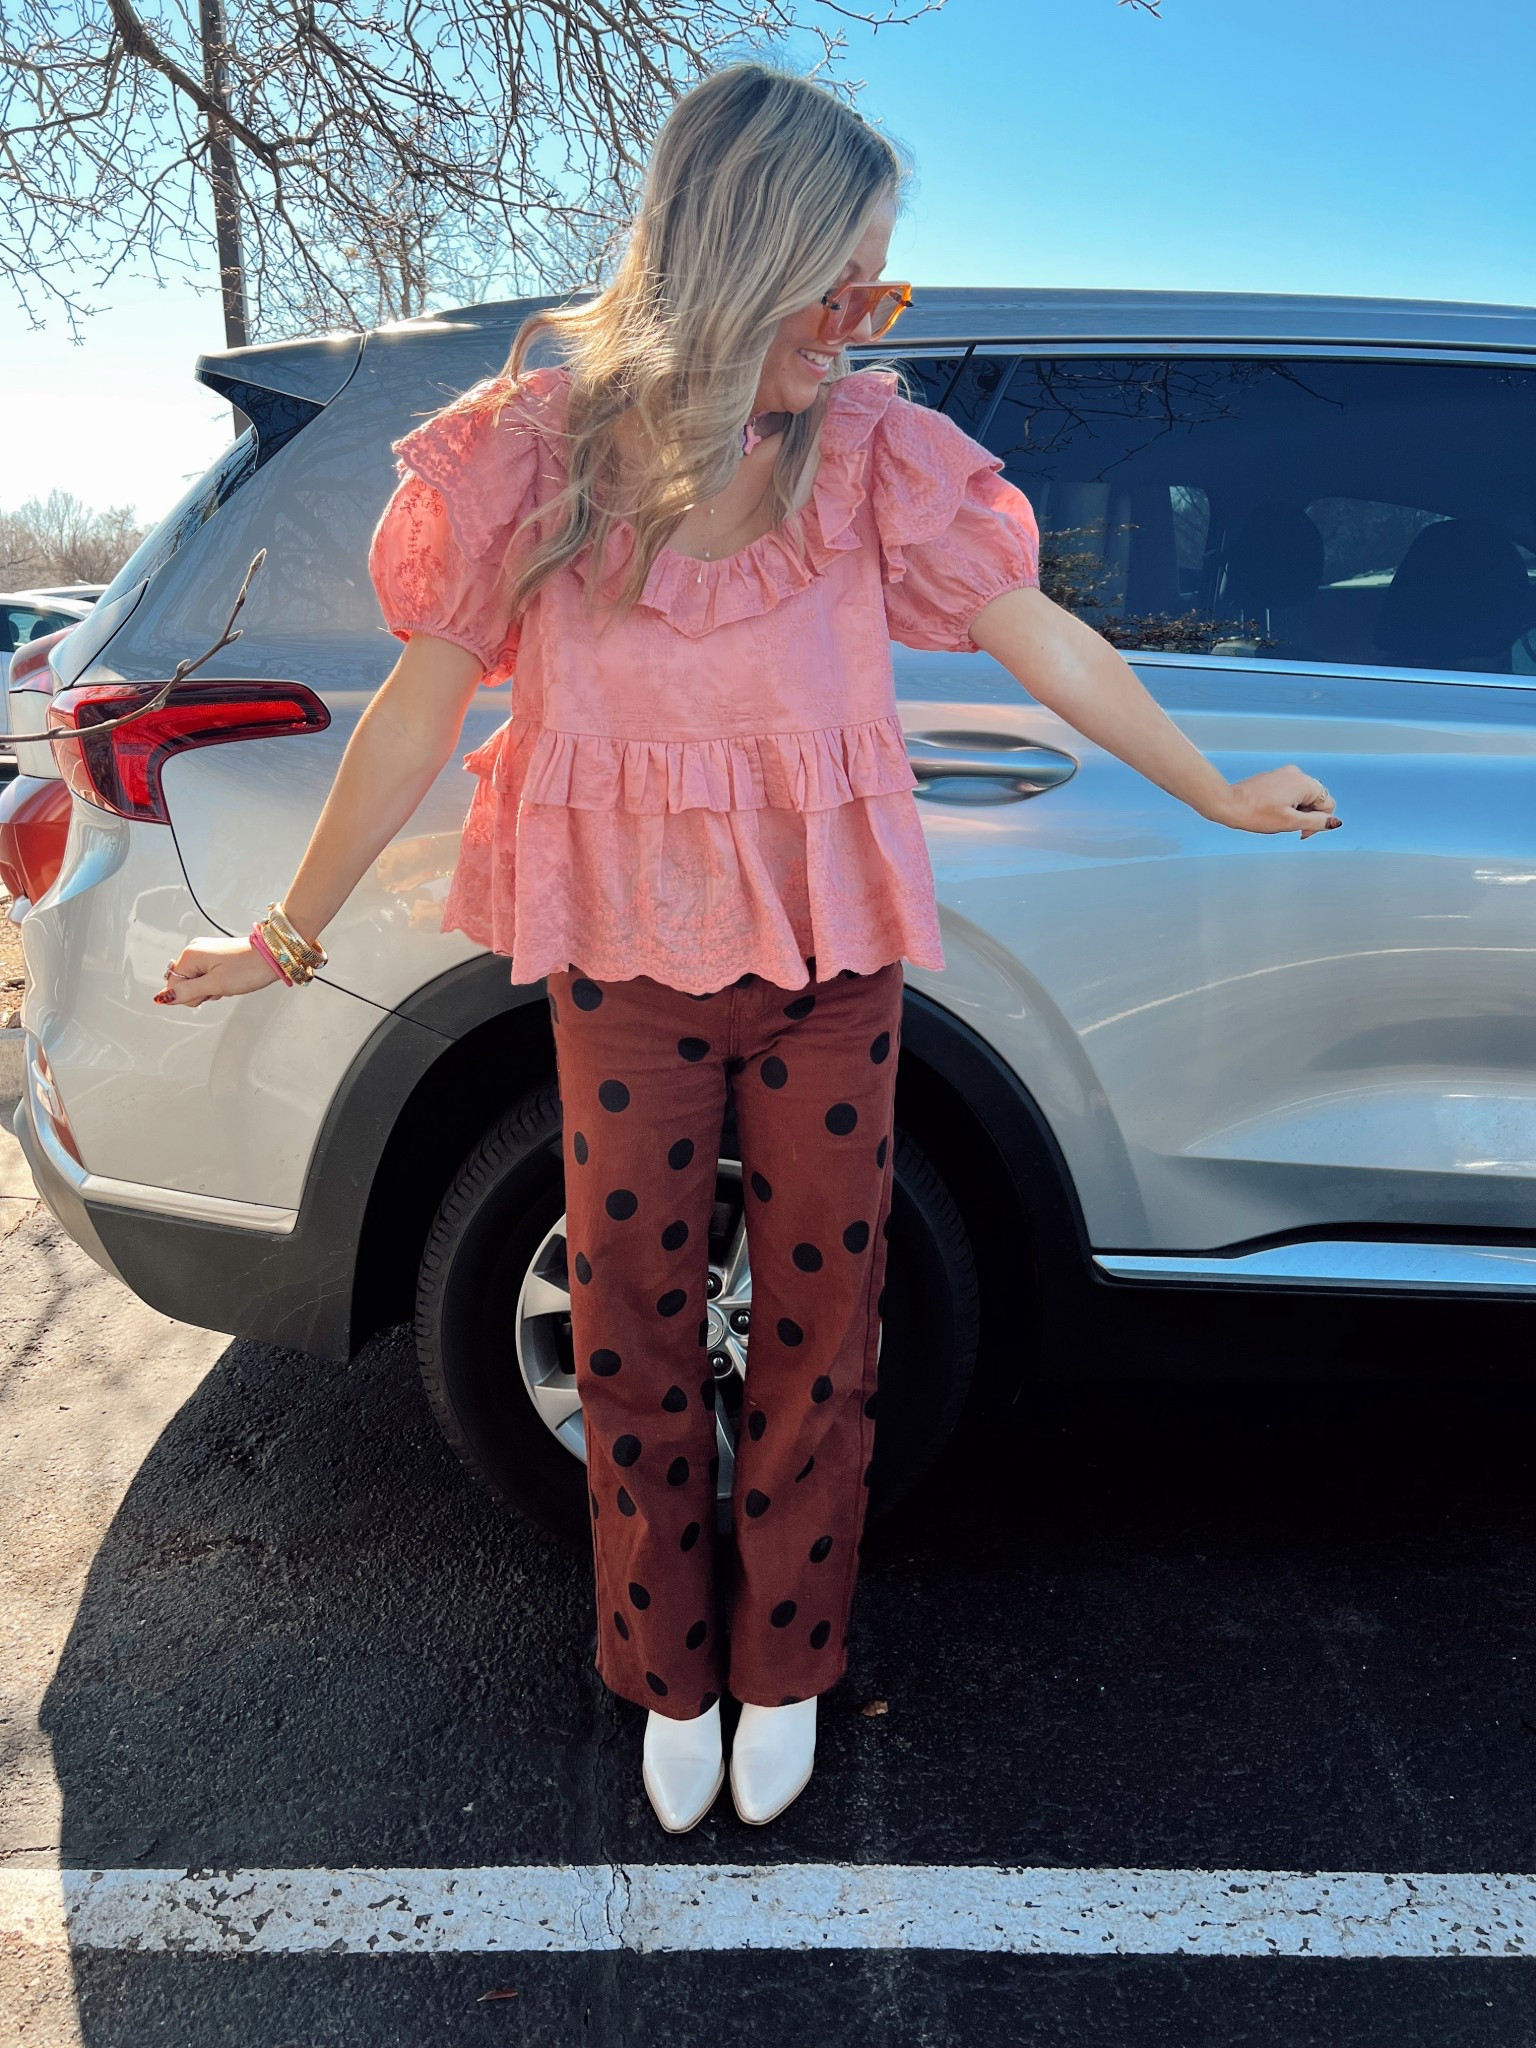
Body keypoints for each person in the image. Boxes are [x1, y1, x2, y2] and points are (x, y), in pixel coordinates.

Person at [154, 61, 1341, 1834]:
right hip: (624, 964)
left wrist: (1213, 786)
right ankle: (666, 1667)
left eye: (887, 288)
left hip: (831, 963)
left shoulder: (870, 456)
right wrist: (288, 926)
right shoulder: (529, 456)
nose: (867, 324)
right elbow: (413, 713)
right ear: (739, 249)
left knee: (821, 1317)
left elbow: (1044, 639)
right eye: (845, 283)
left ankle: (785, 1657)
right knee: (632, 1329)